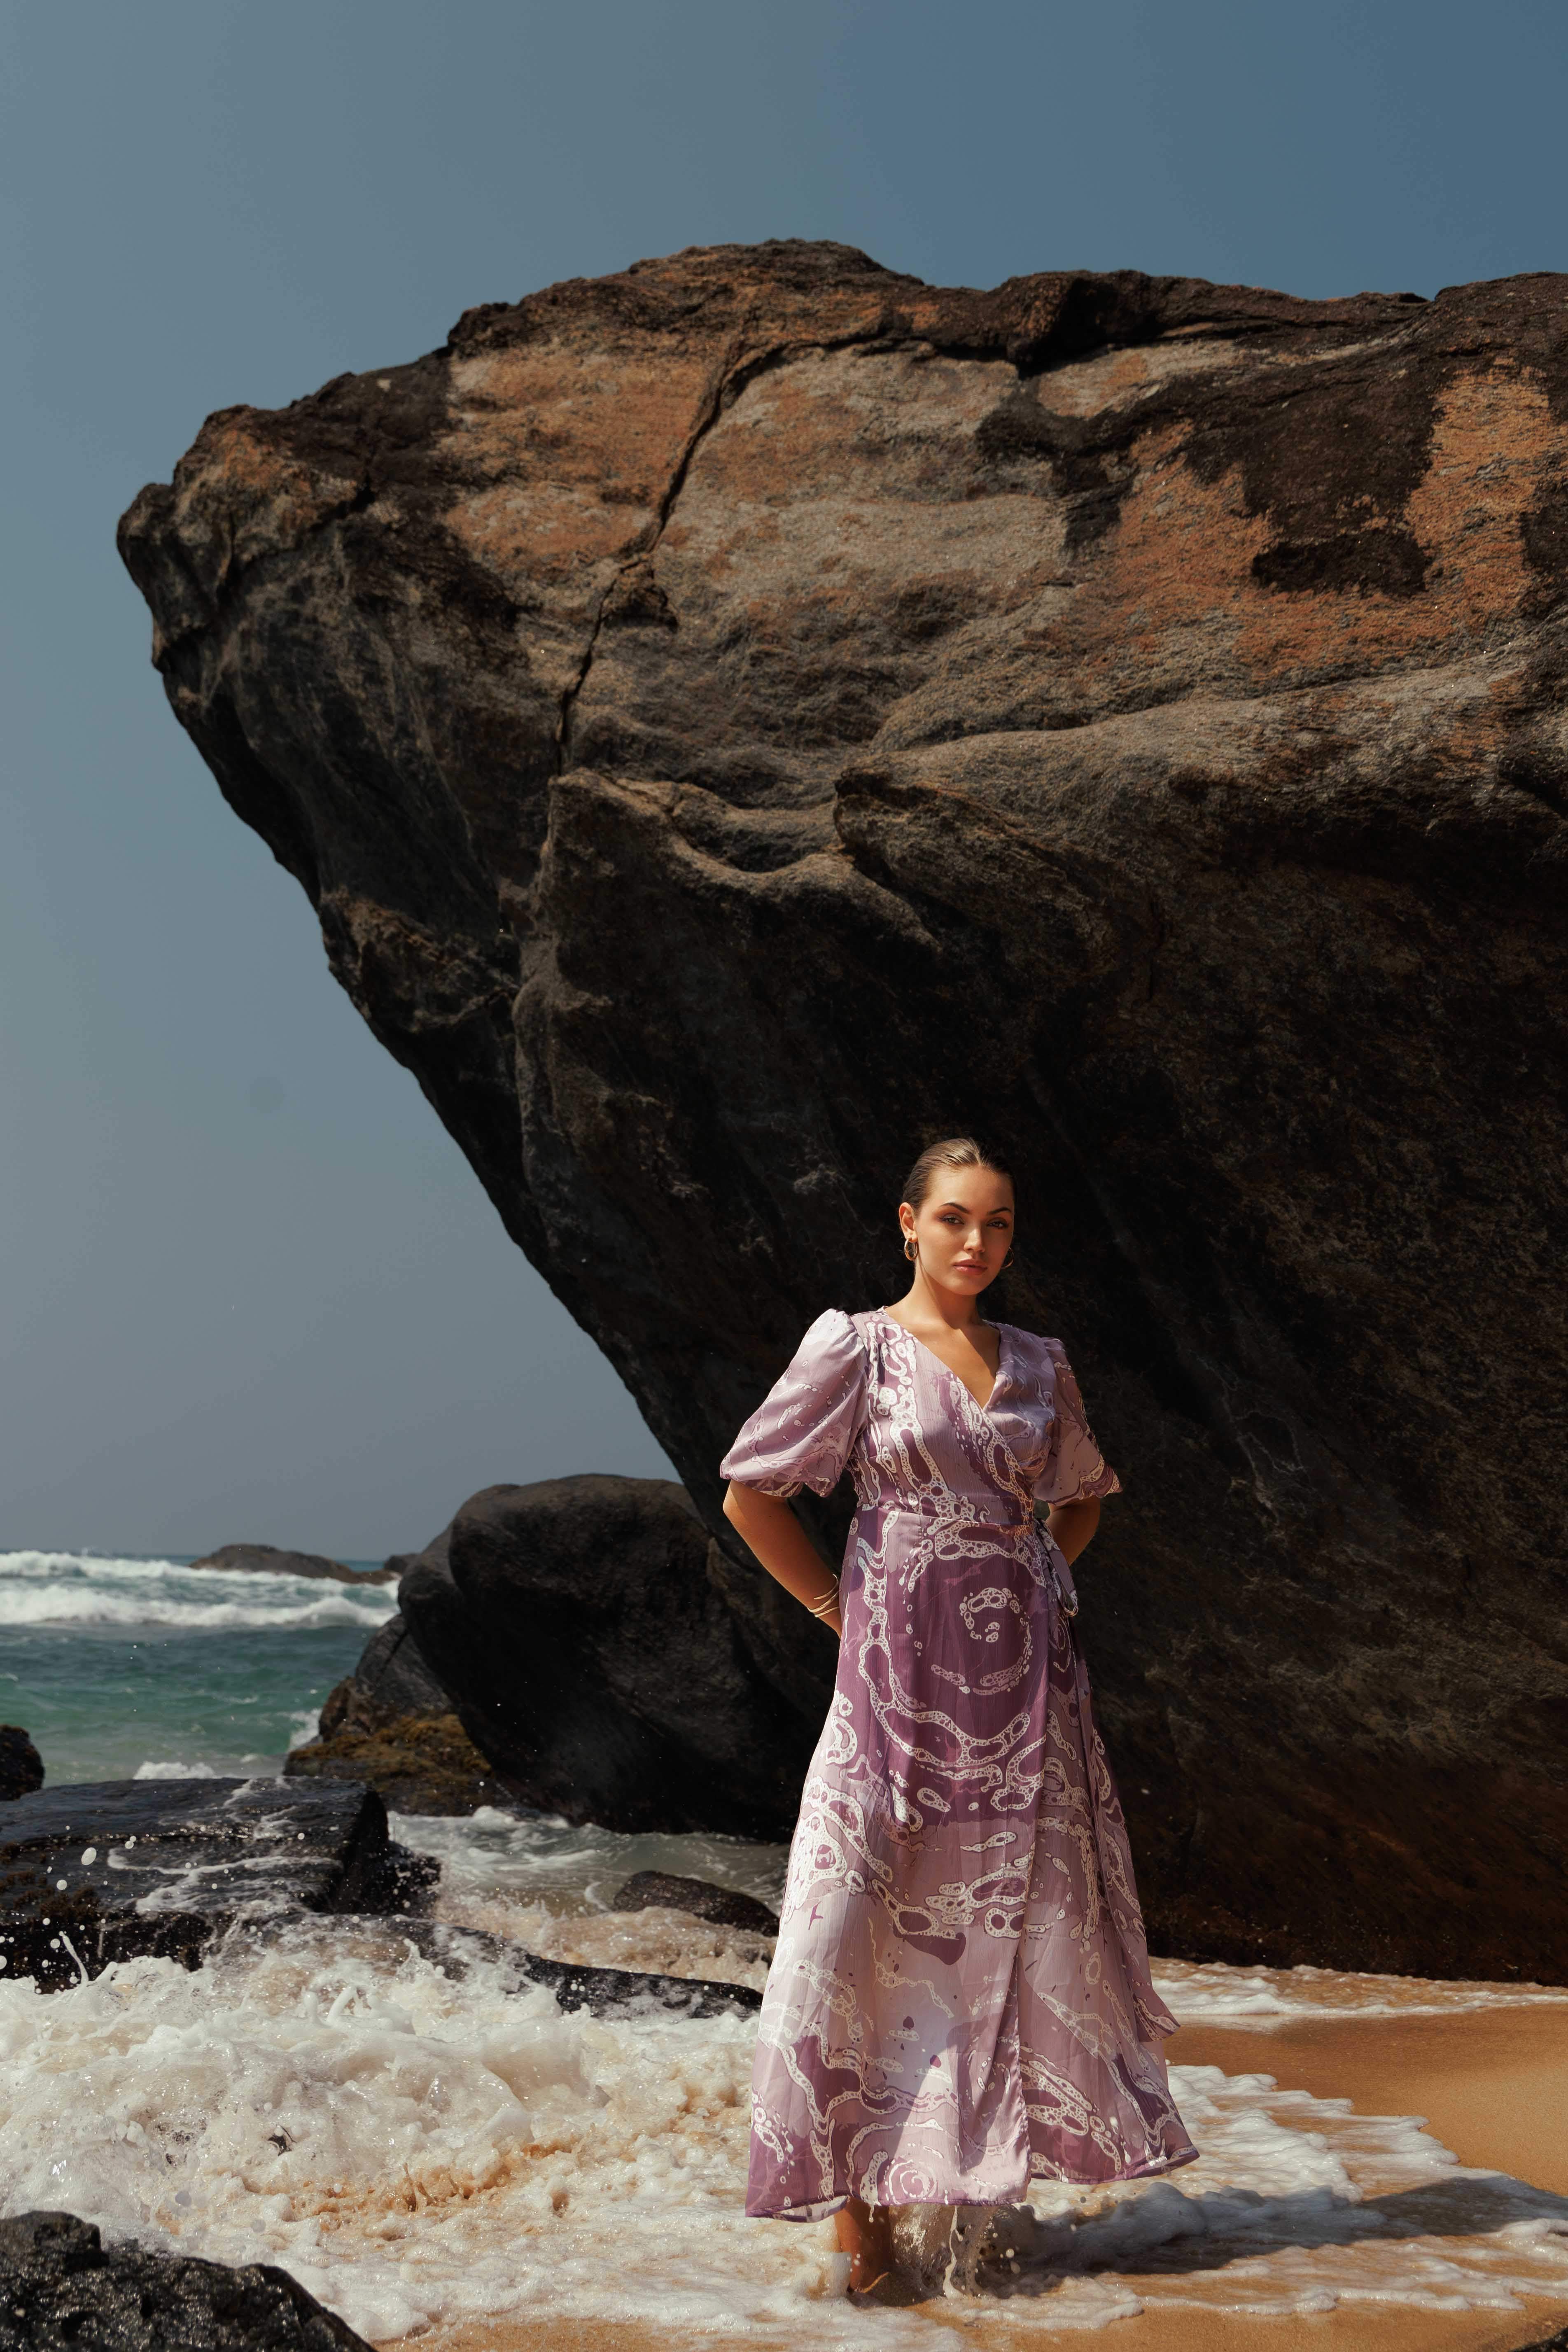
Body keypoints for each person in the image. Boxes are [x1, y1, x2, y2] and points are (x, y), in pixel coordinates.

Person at [720, 1137, 1196, 2296]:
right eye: (953, 1219)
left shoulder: (1039, 1363)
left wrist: (1036, 1576)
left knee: (1011, 1919)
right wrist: (839, 1611)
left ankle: (970, 2188)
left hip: (1025, 1690)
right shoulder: (857, 1349)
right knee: (859, 1917)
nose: (976, 1242)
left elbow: (1079, 1501)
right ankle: (861, 2215)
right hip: (892, 1684)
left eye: (997, 1224)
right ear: (909, 1225)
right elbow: (750, 1497)